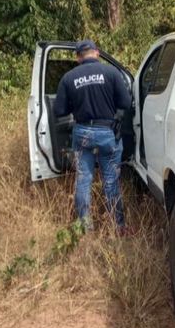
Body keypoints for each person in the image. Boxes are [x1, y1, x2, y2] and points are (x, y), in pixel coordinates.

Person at [54, 39, 132, 231]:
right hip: (107, 132)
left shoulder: (69, 78)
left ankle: (84, 227)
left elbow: (59, 110)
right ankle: (118, 226)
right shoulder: (112, 73)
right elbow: (126, 103)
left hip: (82, 134)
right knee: (111, 179)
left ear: (78, 57)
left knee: (83, 180)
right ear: (96, 53)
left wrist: (76, 105)